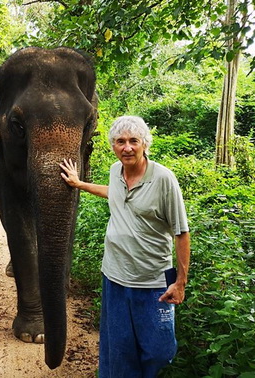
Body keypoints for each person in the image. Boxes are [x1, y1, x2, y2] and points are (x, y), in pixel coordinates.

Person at [60, 115, 190, 378]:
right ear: (113, 146)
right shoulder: (114, 171)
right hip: (115, 278)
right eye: (120, 141)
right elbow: (113, 191)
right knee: (118, 348)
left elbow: (181, 232)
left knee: (159, 350)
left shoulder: (163, 179)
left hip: (154, 281)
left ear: (144, 144)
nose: (127, 147)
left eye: (133, 141)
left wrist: (181, 281)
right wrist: (79, 184)